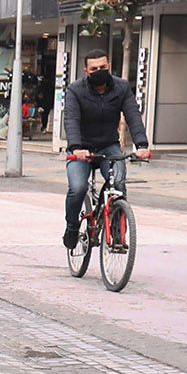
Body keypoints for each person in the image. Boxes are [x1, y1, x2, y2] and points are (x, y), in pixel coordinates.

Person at [62, 48, 152, 250]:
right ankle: (72, 227)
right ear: (86, 71)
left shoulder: (121, 87)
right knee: (77, 188)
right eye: (94, 68)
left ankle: (118, 235)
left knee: (118, 185)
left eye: (103, 67)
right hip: (81, 149)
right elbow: (71, 120)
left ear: (109, 66)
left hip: (108, 146)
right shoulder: (76, 90)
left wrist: (142, 145)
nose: (99, 71)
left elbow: (133, 115)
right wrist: (76, 148)